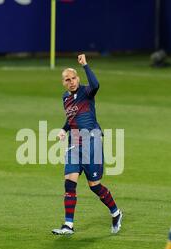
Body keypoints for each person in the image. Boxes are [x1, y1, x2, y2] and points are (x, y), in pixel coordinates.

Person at [52, 54, 122, 235]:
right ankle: (68, 225)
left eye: (73, 78)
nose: (71, 82)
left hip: (92, 143)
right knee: (69, 183)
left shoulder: (86, 92)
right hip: (74, 145)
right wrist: (63, 129)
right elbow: (71, 118)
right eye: (67, 80)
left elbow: (96, 84)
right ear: (63, 83)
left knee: (94, 185)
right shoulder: (65, 99)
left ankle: (116, 212)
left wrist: (85, 65)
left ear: (78, 78)